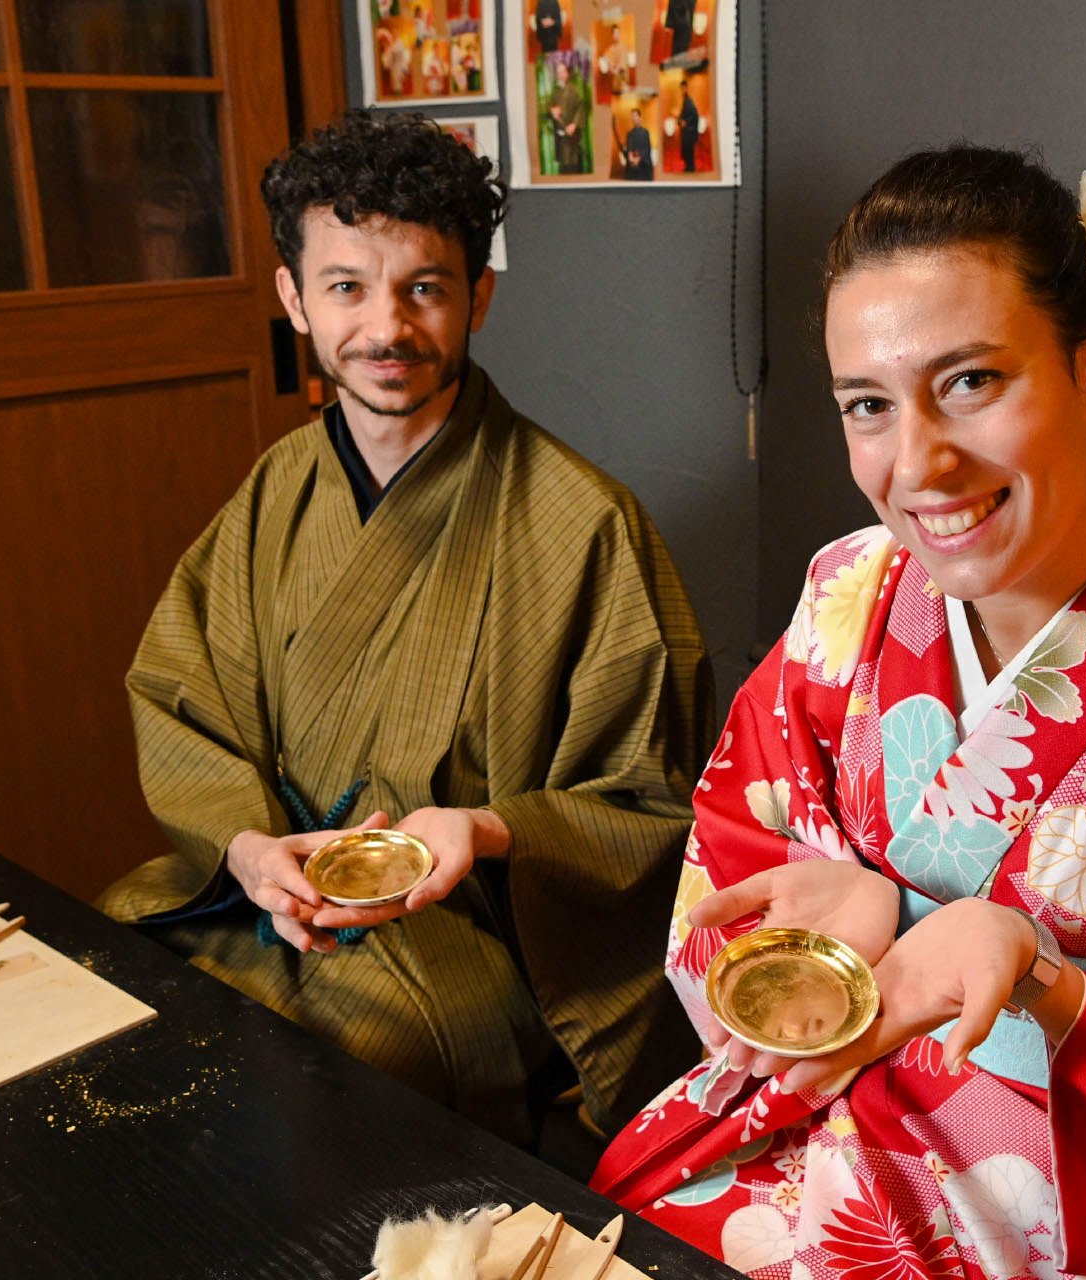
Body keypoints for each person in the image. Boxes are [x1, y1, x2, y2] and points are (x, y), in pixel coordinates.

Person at [593, 146, 1086, 1280]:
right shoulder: (848, 591)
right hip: (823, 1140)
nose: (917, 462)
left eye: (969, 381)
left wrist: (1032, 976)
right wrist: (867, 916)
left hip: (1082, 1223)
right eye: (866, 405)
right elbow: (732, 879)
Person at [99, 109, 710, 1147]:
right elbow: (175, 691)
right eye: (345, 286)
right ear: (294, 296)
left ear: (478, 294)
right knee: (109, 947)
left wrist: (481, 831)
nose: (385, 328)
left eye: (422, 287)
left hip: (462, 937)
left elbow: (653, 800)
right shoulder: (276, 488)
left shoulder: (582, 521)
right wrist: (247, 849)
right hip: (262, 890)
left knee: (337, 1079)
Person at [621, 108, 654, 180]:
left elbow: (647, 149)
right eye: (632, 116)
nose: (633, 118)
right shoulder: (630, 134)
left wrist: (638, 159)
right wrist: (630, 156)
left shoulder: (645, 132)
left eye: (635, 116)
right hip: (633, 167)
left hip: (644, 166)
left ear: (640, 117)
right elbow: (629, 149)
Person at [676, 86, 701, 175]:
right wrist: (680, 120)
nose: (682, 91)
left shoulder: (689, 102)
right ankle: (689, 167)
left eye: (683, 88)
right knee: (687, 151)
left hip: (689, 132)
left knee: (689, 151)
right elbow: (683, 115)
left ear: (686, 88)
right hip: (687, 132)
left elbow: (694, 116)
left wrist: (685, 123)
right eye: (681, 89)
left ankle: (691, 168)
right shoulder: (685, 101)